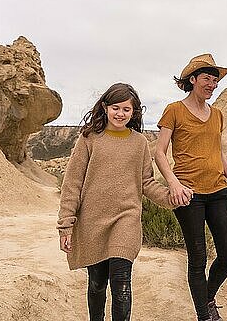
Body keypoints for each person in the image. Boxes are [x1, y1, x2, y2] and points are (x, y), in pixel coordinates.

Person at [57, 82, 180, 321]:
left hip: (126, 219)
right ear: (104, 107)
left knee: (122, 283)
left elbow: (146, 182)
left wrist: (170, 197)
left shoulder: (139, 142)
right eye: (116, 107)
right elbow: (72, 184)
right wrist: (66, 225)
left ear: (134, 113)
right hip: (92, 222)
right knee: (97, 283)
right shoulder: (89, 139)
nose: (120, 113)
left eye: (127, 109)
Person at [155, 53, 227, 321]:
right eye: (207, 78)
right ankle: (204, 315)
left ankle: (207, 298)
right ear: (192, 79)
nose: (212, 84)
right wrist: (174, 184)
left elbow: (218, 151)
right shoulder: (174, 110)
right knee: (197, 257)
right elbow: (160, 152)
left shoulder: (217, 114)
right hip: (188, 194)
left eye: (215, 80)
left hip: (217, 191)